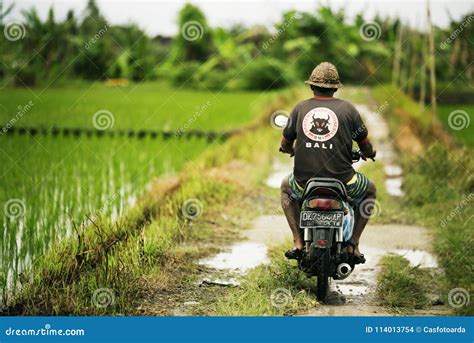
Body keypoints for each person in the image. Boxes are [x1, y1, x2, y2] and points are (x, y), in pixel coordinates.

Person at [279, 62, 377, 264]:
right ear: (335, 88)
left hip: (304, 183)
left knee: (285, 188)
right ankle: (353, 244)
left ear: (311, 86)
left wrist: (288, 149)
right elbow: (364, 143)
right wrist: (369, 153)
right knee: (370, 190)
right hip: (344, 181)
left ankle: (298, 242)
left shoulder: (299, 108)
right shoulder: (349, 109)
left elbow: (286, 141)